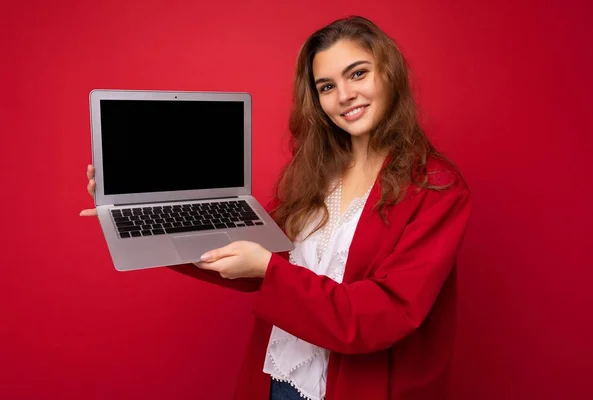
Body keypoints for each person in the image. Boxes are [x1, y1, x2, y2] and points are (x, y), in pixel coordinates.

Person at [81, 15, 472, 400]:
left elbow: (383, 313)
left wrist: (269, 269)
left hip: (358, 386)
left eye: (357, 74)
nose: (344, 96)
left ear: (390, 74)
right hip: (278, 378)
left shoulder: (436, 188)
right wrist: (141, 219)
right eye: (326, 86)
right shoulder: (315, 174)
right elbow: (252, 259)